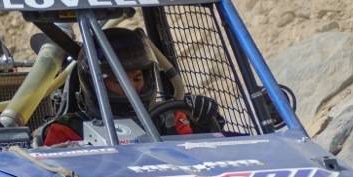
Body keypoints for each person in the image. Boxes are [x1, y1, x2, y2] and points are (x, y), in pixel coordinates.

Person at [39, 27, 219, 146]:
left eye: (137, 78)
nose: (132, 88)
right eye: (119, 81)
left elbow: (200, 158)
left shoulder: (169, 119)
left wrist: (202, 123)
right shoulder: (67, 130)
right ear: (95, 84)